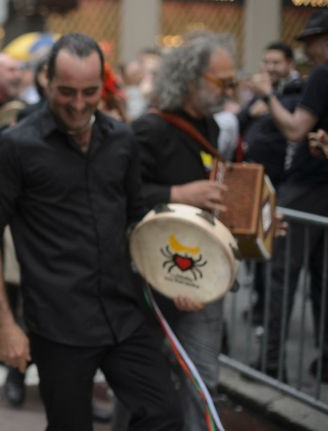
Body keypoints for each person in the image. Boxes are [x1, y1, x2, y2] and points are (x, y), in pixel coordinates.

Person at [0, 32, 182, 431]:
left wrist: (174, 278)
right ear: (47, 81)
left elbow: (139, 221)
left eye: (90, 92)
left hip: (124, 313)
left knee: (164, 416)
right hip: (58, 324)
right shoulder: (15, 146)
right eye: (67, 92)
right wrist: (4, 324)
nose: (80, 104)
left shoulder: (122, 138)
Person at [131, 33, 237, 431]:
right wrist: (177, 194)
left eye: (231, 82)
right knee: (147, 382)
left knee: (201, 379)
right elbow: (125, 198)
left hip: (201, 273)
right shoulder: (149, 129)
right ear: (191, 78)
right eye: (221, 81)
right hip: (155, 274)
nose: (229, 90)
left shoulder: (211, 126)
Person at [248, 10, 328, 381]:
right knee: (322, 280)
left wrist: (267, 95)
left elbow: (295, 129)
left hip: (307, 188)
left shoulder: (322, 75)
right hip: (318, 187)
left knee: (281, 275)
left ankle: (270, 363)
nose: (306, 50)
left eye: (310, 41)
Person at [237, 41, 304, 330]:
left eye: (276, 62)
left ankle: (268, 314)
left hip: (278, 184)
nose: (270, 68)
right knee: (253, 251)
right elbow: (240, 122)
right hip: (251, 182)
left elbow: (291, 130)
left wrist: (268, 100)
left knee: (271, 251)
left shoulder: (297, 94)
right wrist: (251, 110)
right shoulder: (260, 95)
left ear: (289, 64)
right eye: (266, 62)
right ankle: (259, 303)